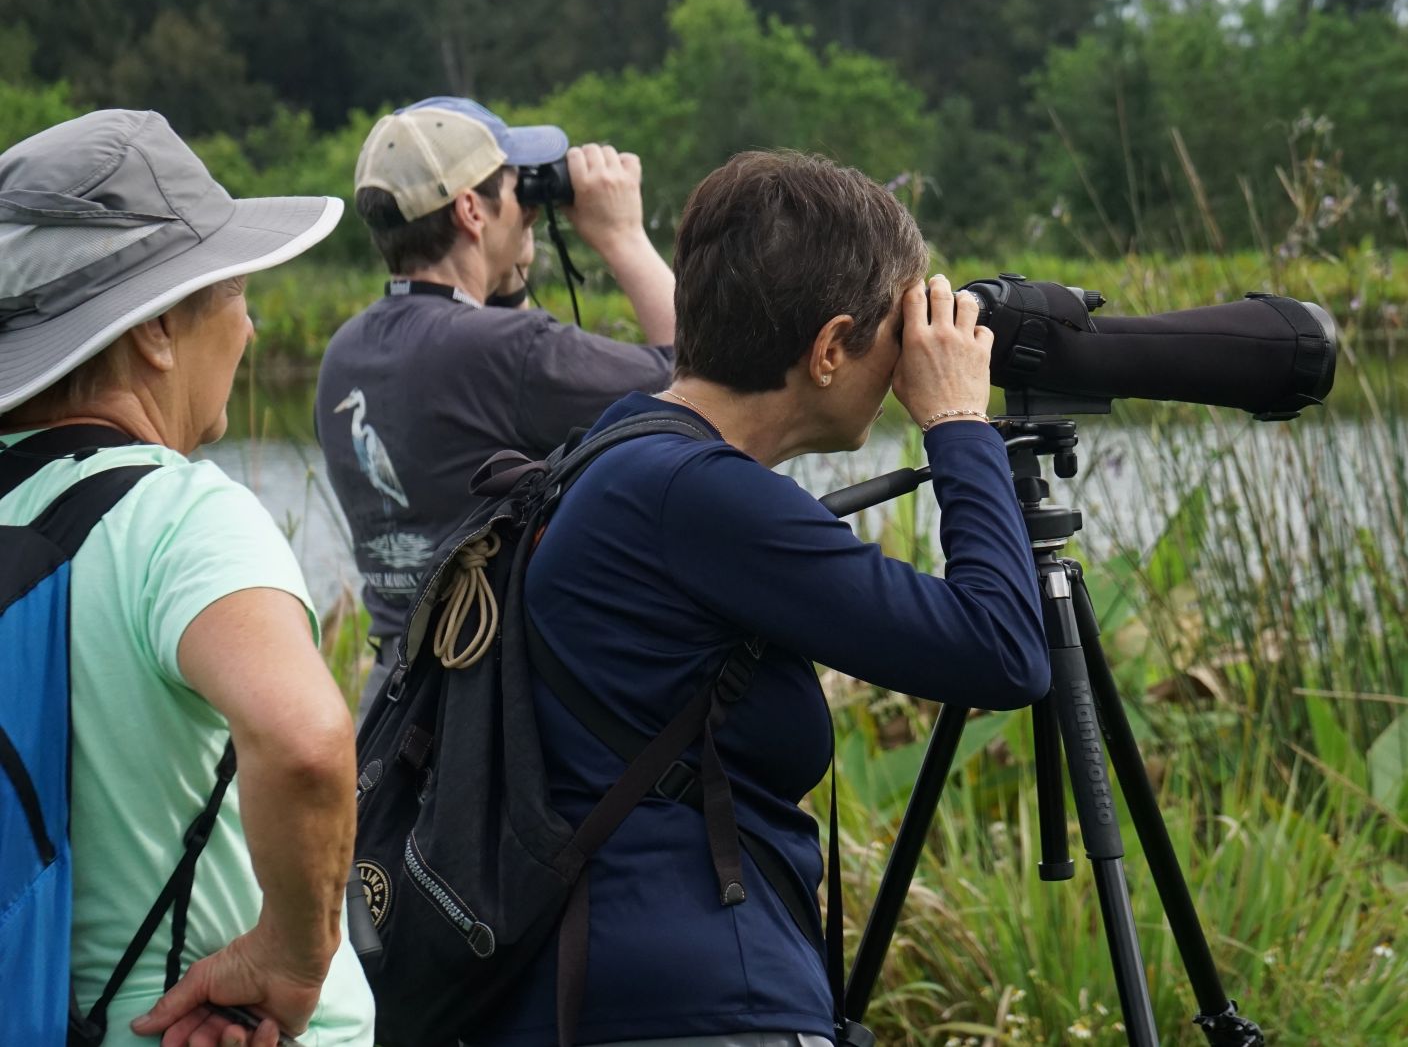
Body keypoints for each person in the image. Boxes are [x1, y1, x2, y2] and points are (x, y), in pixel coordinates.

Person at [472, 151, 1048, 1047]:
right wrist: (961, 425)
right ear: (828, 347)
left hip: (589, 988)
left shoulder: (618, 447)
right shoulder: (700, 495)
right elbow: (1002, 649)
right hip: (692, 1007)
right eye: (896, 331)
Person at [0, 110, 374, 1047]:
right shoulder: (177, 516)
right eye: (235, 291)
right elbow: (305, 741)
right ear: (159, 329)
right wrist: (293, 957)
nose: (248, 328)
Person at [315, 97, 680, 710]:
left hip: (393, 705)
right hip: (492, 717)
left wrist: (501, 274)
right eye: (517, 189)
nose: (531, 209)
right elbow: (698, 380)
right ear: (470, 210)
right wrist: (623, 237)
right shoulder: (510, 351)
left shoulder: (345, 351)